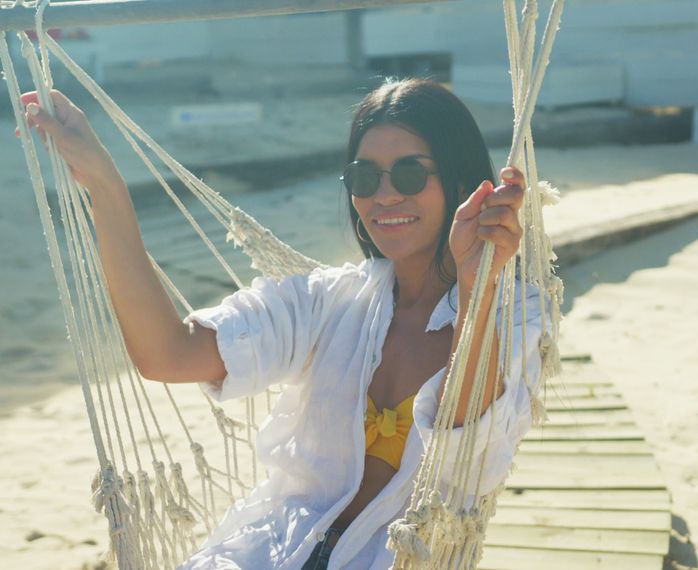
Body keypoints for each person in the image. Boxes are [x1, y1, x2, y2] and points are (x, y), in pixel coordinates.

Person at [16, 78, 545, 569]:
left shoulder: (515, 313)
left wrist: (479, 288)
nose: (384, 195)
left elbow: (470, 449)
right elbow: (167, 354)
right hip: (276, 548)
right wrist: (104, 184)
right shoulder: (327, 302)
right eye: (365, 176)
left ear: (459, 182)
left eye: (409, 172)